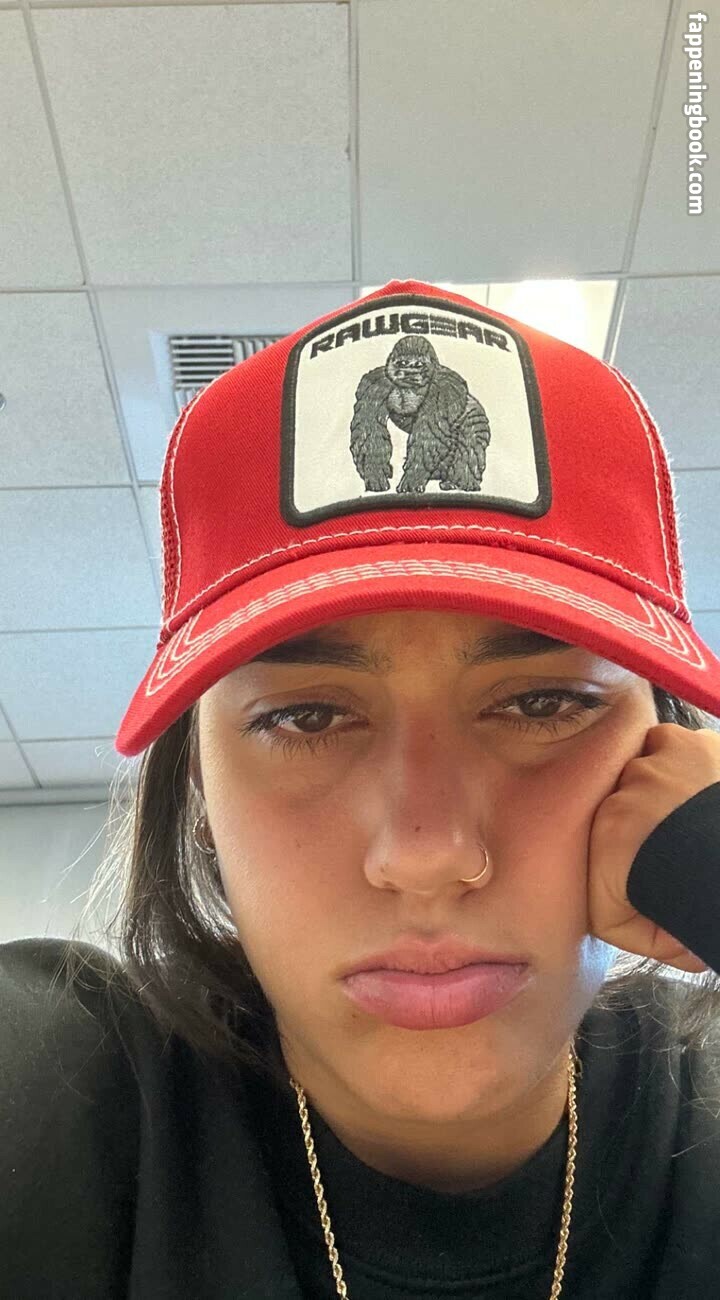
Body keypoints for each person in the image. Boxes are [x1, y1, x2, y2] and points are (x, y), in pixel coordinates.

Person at [2, 279, 720, 1299]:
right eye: (304, 717)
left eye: (544, 703)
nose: (427, 855)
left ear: (666, 753)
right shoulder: (62, 1091)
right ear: (200, 789)